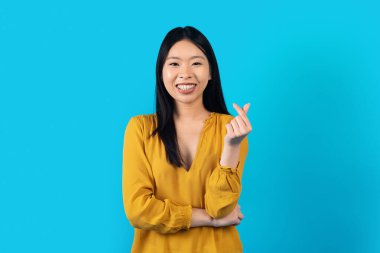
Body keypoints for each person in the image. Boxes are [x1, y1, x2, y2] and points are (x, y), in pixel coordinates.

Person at [122, 26, 252, 253]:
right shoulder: (140, 129)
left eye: (196, 63)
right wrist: (207, 219)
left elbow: (220, 208)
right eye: (174, 64)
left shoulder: (230, 130)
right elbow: (138, 210)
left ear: (211, 71)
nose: (186, 73)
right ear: (161, 72)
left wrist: (231, 146)